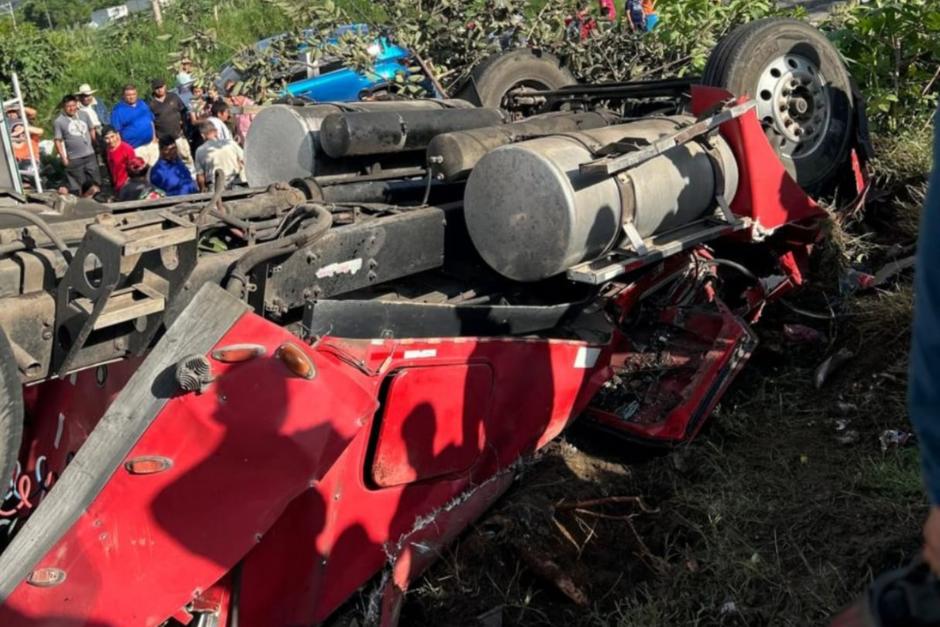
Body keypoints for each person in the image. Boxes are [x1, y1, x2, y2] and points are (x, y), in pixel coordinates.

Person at [53, 94, 101, 193]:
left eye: (73, 105)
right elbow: (58, 140)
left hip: (89, 154)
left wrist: (94, 143)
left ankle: (99, 199)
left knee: (95, 180)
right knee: (80, 184)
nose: (71, 108)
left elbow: (91, 129)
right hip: (75, 158)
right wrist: (63, 158)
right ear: (64, 107)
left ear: (77, 105)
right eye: (68, 106)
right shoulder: (59, 121)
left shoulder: (83, 114)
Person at [149, 77, 193, 171]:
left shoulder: (173, 97)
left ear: (165, 86)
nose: (159, 89)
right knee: (171, 161)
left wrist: (184, 126)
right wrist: (154, 136)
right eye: (157, 88)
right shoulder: (151, 104)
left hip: (179, 134)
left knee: (186, 157)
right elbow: (151, 121)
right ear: (153, 89)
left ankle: (191, 177)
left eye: (161, 87)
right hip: (164, 139)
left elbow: (184, 111)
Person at [110, 84, 158, 166]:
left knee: (157, 170)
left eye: (133, 94)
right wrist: (123, 150)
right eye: (128, 95)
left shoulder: (142, 104)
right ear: (123, 96)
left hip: (151, 144)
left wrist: (154, 138)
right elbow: (116, 132)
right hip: (135, 149)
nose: (131, 97)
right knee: (141, 172)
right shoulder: (118, 110)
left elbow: (151, 121)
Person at [194, 120, 245, 192]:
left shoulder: (200, 150)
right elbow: (244, 160)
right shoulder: (230, 143)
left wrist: (202, 189)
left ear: (202, 135)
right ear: (216, 131)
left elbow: (200, 176)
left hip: (215, 188)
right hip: (236, 183)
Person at [103, 127, 135, 193]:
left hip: (126, 186)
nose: (110, 140)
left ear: (117, 135)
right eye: (107, 138)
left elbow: (134, 168)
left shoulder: (127, 149)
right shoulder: (107, 149)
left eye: (112, 136)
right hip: (116, 184)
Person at [224, 79, 255, 146]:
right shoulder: (235, 109)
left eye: (235, 95)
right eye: (229, 95)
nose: (232, 98)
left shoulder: (251, 106)